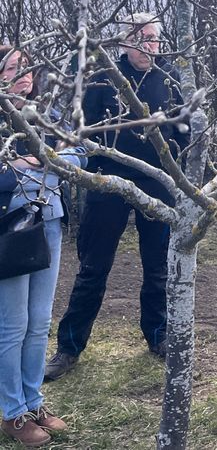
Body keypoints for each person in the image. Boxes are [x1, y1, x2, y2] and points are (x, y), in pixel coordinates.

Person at [45, 13, 187, 381]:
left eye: (154, 38)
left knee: (157, 266)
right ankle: (69, 346)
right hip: (108, 180)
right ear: (124, 43)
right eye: (140, 38)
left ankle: (158, 336)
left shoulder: (169, 78)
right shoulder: (102, 78)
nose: (148, 46)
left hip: (155, 183)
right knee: (93, 268)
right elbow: (82, 131)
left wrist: (171, 158)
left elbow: (184, 131)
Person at [0, 46, 85, 446]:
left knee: (39, 323)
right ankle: (11, 413)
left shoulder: (47, 115)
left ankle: (34, 402)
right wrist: (19, 165)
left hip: (48, 227)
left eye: (27, 67)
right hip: (9, 233)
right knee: (12, 326)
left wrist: (44, 158)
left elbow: (81, 151)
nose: (24, 75)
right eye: (13, 68)